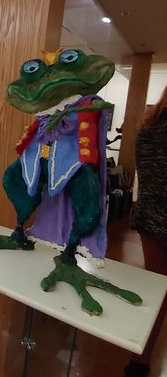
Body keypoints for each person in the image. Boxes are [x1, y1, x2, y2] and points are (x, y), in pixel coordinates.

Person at [127, 85, 167, 377]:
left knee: (156, 291)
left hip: (150, 219)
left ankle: (138, 362)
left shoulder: (148, 127)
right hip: (157, 217)